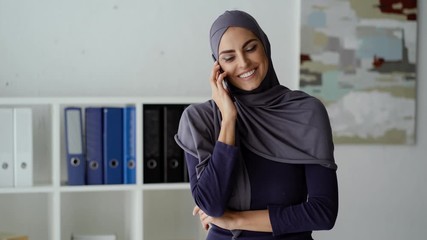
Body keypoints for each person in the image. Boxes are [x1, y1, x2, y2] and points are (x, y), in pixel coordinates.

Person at [174, 10, 338, 240]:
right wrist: (229, 118)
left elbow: (323, 213)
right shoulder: (200, 119)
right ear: (217, 66)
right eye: (229, 57)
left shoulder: (305, 111)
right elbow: (212, 204)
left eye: (250, 48)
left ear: (265, 47)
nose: (243, 63)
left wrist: (235, 220)